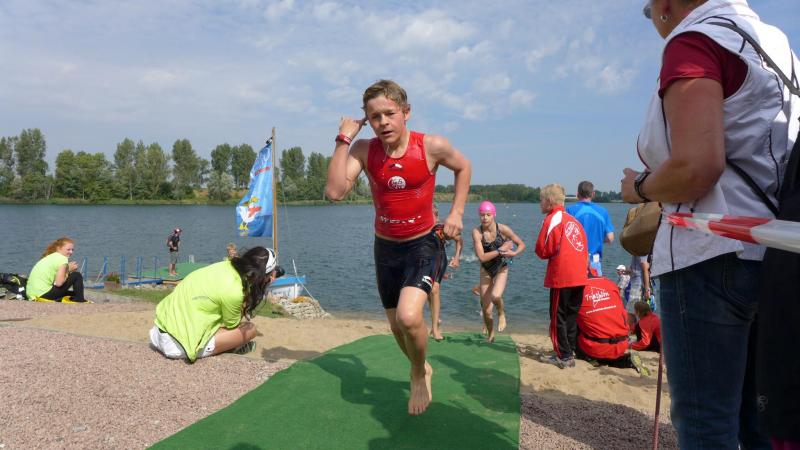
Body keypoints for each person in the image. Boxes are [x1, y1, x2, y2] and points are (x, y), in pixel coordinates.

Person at [620, 1, 799, 447]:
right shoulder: (778, 44)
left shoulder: (696, 40)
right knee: (759, 417)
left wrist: (639, 187)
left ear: (665, 6)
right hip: (773, 252)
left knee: (706, 423)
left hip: (707, 256)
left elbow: (696, 168)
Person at [325, 79, 471, 415]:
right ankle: (422, 365)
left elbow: (463, 167)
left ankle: (417, 372)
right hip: (386, 248)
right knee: (396, 327)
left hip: (424, 243)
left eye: (389, 113)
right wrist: (343, 139)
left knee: (408, 316)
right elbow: (335, 192)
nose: (383, 122)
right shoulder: (364, 150)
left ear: (406, 112)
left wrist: (457, 213)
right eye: (374, 117)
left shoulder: (430, 146)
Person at [149, 247, 283, 362]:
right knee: (250, 329)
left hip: (158, 331)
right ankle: (230, 349)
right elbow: (232, 325)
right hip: (176, 346)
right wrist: (260, 288)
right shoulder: (234, 291)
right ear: (261, 276)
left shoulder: (225, 266)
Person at [535, 183, 589, 369]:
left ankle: (563, 355)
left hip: (563, 276)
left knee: (557, 316)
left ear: (549, 201)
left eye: (541, 200)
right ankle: (570, 350)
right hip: (580, 275)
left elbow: (543, 250)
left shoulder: (552, 219)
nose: (540, 203)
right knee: (571, 315)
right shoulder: (574, 221)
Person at [472, 200, 525, 343]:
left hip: (501, 268)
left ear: (494, 214)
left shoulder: (503, 229)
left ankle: (501, 313)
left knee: (496, 296)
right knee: (486, 310)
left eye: (488, 214)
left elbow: (521, 244)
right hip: (486, 270)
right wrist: (501, 250)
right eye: (482, 215)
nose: (485, 218)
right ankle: (491, 334)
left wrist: (514, 253)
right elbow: (482, 257)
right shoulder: (477, 232)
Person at [575, 276, 648, 376]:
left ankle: (589, 358)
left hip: (596, 347)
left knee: (573, 318)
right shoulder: (610, 284)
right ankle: (625, 360)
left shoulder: (577, 288)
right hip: (621, 344)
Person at [427, 204, 463, 341]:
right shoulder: (419, 228)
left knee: (434, 289)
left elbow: (459, 240)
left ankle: (435, 328)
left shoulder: (441, 228)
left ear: (436, 216)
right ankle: (435, 319)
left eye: (430, 215)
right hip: (423, 261)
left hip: (439, 259)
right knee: (425, 291)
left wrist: (457, 257)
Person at [566, 181, 614, 276]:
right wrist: (597, 238)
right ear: (593, 194)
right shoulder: (603, 212)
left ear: (577, 194)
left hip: (575, 262)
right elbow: (610, 238)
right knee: (595, 285)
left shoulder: (569, 210)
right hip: (595, 263)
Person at [26, 237, 86, 303]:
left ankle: (77, 297)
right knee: (76, 275)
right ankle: (79, 299)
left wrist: (67, 269)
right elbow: (58, 283)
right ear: (59, 248)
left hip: (32, 295)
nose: (71, 252)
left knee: (71, 294)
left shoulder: (50, 256)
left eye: (72, 250)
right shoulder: (62, 258)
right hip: (43, 295)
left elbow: (55, 278)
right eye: (68, 249)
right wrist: (68, 270)